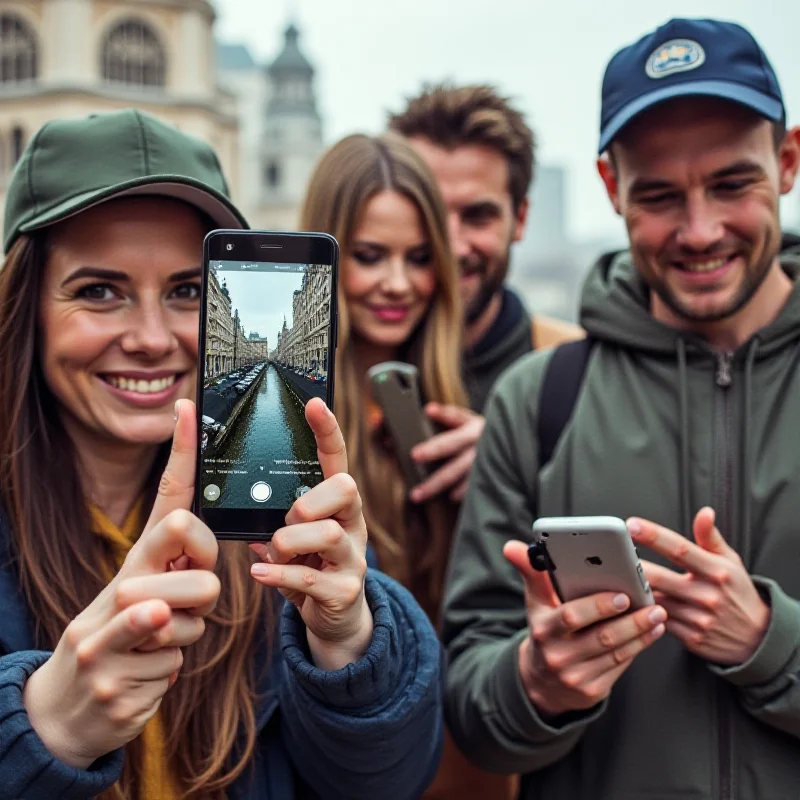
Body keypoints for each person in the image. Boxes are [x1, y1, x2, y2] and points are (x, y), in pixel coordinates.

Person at [0, 109, 443, 800]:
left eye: (187, 292)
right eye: (99, 291)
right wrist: (38, 729)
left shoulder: (286, 520)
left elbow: (389, 781)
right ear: (27, 306)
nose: (151, 337)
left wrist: (350, 643)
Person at [442, 17, 800, 799]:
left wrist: (774, 645)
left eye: (732, 185)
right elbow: (470, 704)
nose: (700, 230)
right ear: (611, 189)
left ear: (789, 161)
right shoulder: (539, 399)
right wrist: (537, 682)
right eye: (661, 196)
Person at [299, 132, 516, 800]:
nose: (398, 283)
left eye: (420, 258)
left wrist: (507, 462)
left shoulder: (489, 406)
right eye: (369, 256)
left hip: (468, 767)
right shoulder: (286, 426)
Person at [389, 83, 584, 415]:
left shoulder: (580, 373)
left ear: (520, 219)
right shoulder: (334, 377)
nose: (452, 246)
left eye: (478, 216)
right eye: (428, 214)